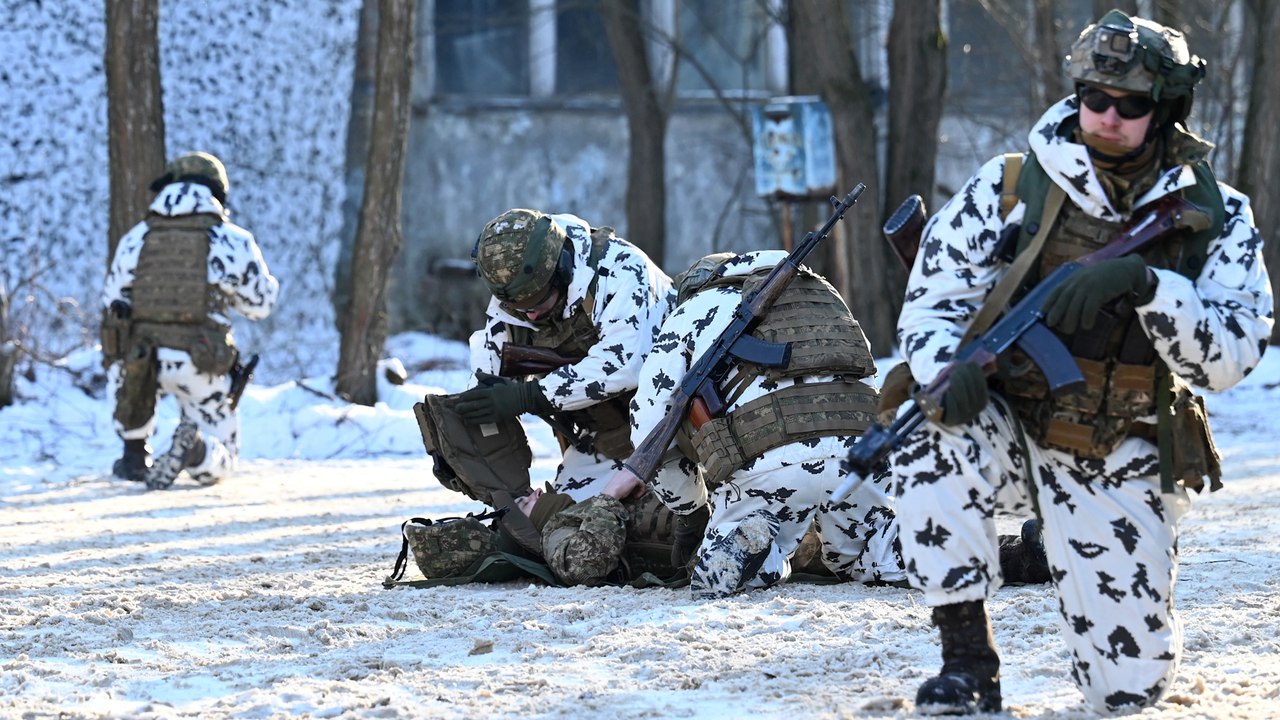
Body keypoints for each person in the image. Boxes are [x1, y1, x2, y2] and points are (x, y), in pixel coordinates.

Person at [886, 11, 1272, 715]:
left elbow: (1235, 353)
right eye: (1095, 97)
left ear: (1167, 110)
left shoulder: (1212, 214)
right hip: (1007, 426)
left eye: (1131, 105)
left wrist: (1153, 287)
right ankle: (967, 662)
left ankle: (1053, 553)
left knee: (1129, 690)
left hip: (1121, 445)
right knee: (919, 428)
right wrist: (949, 370)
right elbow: (930, 304)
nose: (1109, 116)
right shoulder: (1009, 190)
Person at [605, 251, 907, 600]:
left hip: (771, 465)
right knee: (868, 541)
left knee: (745, 545)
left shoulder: (693, 309)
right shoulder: (822, 291)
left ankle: (753, 545)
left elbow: (648, 423)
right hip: (859, 455)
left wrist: (690, 509)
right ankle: (913, 545)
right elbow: (866, 373)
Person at [455, 208, 674, 502]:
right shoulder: (517, 281)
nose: (529, 313)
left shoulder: (623, 271)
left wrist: (529, 396)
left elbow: (623, 365)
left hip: (670, 432)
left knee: (662, 527)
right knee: (559, 523)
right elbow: (491, 353)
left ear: (562, 269)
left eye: (537, 302)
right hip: (608, 439)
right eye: (519, 308)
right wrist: (477, 409)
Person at [102, 151, 279, 490]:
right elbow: (260, 305)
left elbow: (113, 302)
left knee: (130, 366)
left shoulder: (137, 237)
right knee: (222, 460)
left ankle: (134, 455)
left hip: (141, 361)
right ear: (217, 192)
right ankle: (196, 451)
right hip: (201, 360)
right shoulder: (231, 239)